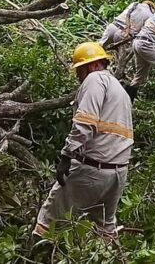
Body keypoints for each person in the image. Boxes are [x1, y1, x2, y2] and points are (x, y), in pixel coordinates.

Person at [34, 42, 133, 236]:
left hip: (92, 169)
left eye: (79, 70)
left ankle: (36, 250)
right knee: (105, 229)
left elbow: (85, 124)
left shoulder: (95, 79)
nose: (78, 77)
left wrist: (66, 155)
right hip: (118, 173)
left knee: (48, 223)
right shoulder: (120, 90)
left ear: (92, 65)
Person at [98, 0, 155, 79]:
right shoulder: (150, 15)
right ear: (152, 8)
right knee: (122, 63)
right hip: (124, 36)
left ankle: (95, 67)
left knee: (99, 49)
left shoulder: (135, 4)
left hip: (113, 27)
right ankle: (117, 78)